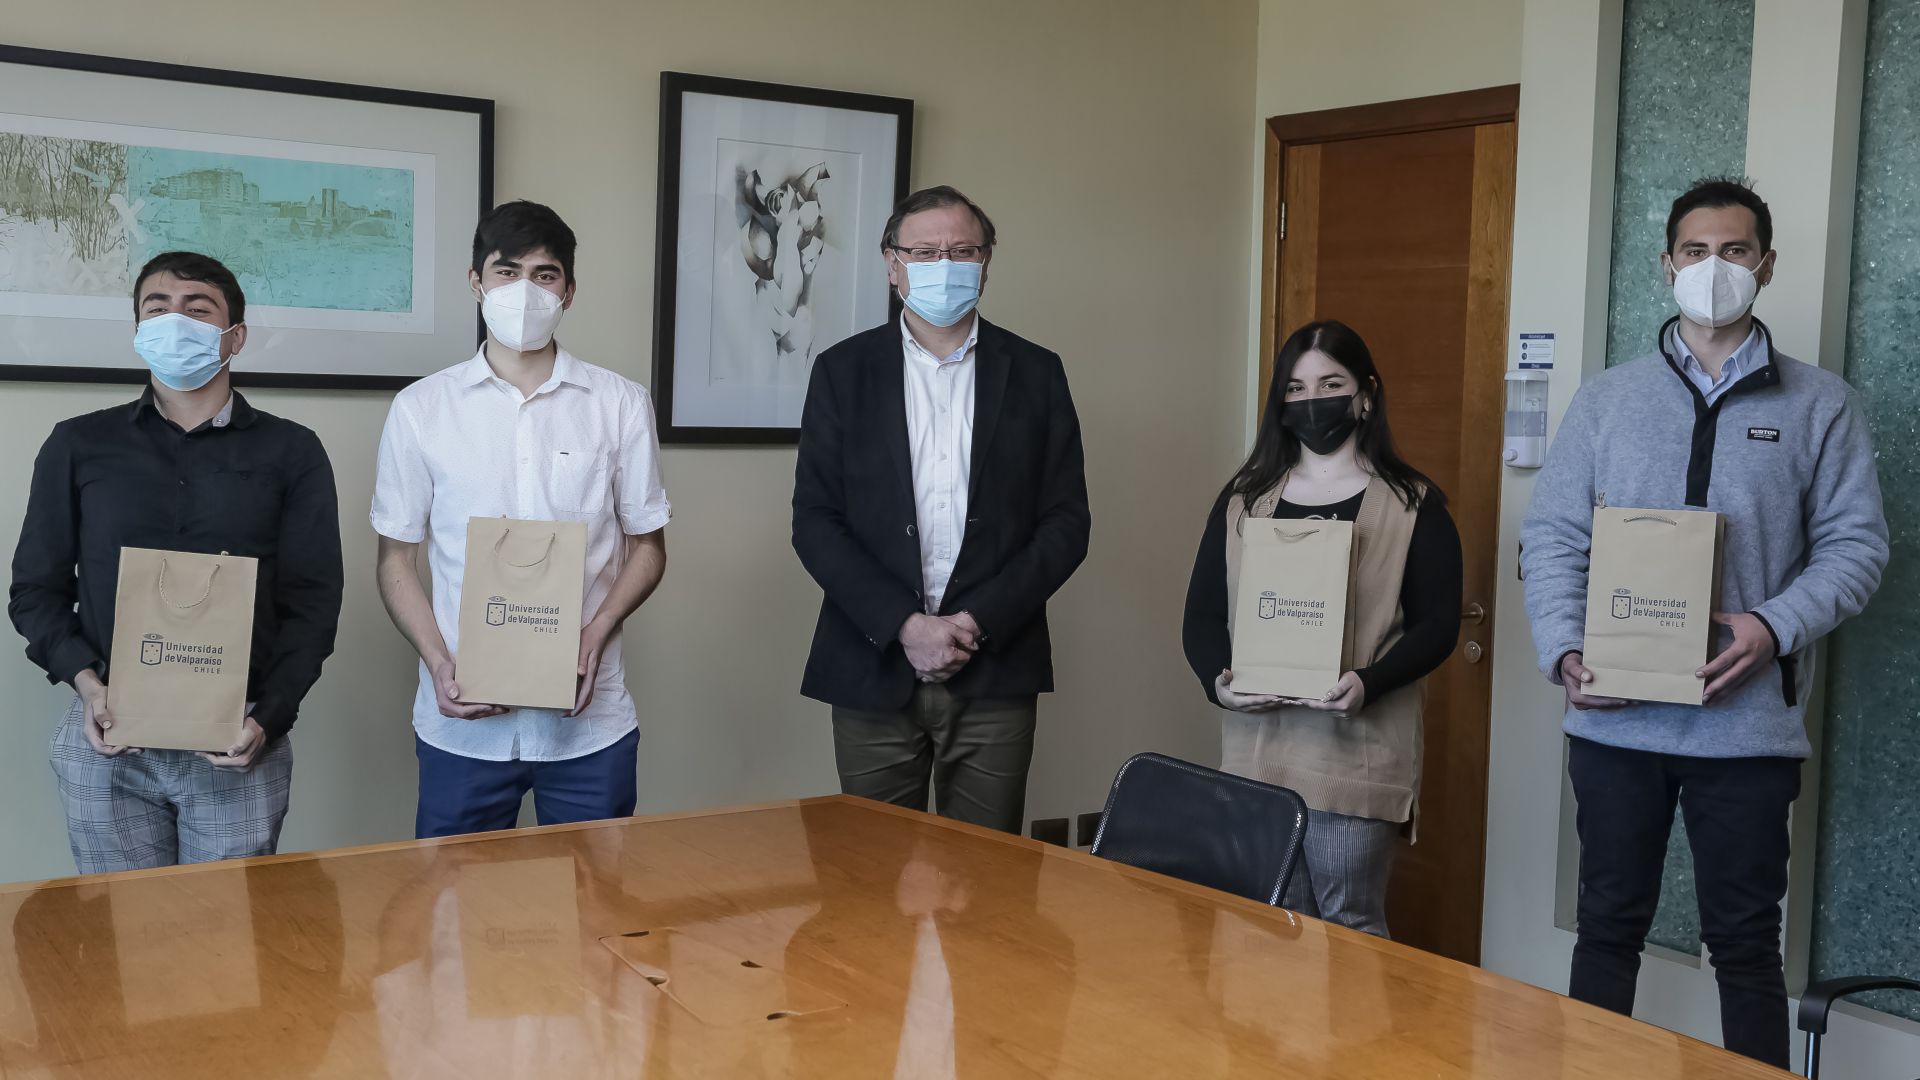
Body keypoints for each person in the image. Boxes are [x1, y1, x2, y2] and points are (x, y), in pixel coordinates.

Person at [1521, 177, 1887, 1068]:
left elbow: (1856, 548)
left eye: (1733, 251)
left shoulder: (1820, 404)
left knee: (1746, 947)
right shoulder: (1607, 400)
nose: (1713, 267)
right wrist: (1564, 648)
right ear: (1666, 264)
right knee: (1607, 928)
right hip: (1614, 721)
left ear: (1766, 264)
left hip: (1747, 729)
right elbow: (1554, 534)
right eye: (1695, 251)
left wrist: (1772, 625)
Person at [8, 251, 343, 873]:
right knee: (120, 926)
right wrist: (88, 686)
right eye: (157, 309)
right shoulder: (78, 444)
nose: (175, 321)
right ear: (138, 329)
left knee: (227, 929)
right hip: (108, 739)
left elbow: (313, 602)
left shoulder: (292, 451)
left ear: (235, 336)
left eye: (198, 309)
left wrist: (270, 717)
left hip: (239, 738)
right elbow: (34, 590)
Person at [792, 185, 1090, 835]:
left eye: (962, 251)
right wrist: (905, 626)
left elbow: (1066, 523)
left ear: (986, 262)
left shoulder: (1036, 372)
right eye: (925, 253)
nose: (945, 265)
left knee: (986, 873)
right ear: (891, 264)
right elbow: (815, 521)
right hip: (871, 662)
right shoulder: (842, 371)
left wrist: (975, 622)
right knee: (872, 868)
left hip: (996, 665)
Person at [372, 200, 670, 839]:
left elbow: (648, 546)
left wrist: (596, 633)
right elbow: (396, 558)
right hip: (462, 723)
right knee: (456, 895)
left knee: (598, 896)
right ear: (476, 282)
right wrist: (437, 662)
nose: (525, 290)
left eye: (545, 274)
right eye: (507, 271)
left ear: (569, 291)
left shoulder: (619, 403)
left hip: (589, 721)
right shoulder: (422, 408)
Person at [1182, 319, 1462, 937]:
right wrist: (1217, 683)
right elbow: (1201, 614)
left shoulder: (1413, 505)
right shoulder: (1244, 500)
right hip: (1258, 754)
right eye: (1296, 388)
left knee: (1350, 927)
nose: (1313, 401)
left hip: (1354, 759)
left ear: (1366, 394)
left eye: (1331, 384)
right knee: (1269, 931)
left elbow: (1438, 626)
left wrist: (1370, 681)